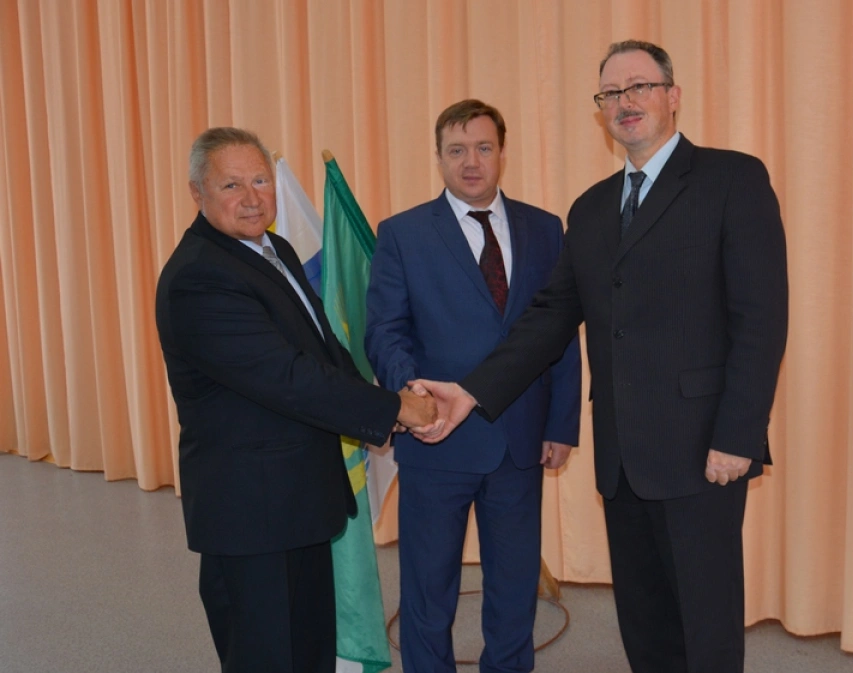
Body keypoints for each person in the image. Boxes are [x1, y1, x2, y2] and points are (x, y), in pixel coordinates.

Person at [411, 41, 789, 673]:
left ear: (673, 96)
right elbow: (549, 318)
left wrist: (738, 435)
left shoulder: (732, 179)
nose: (625, 102)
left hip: (703, 445)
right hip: (621, 452)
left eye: (639, 86)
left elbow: (762, 318)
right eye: (611, 93)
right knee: (643, 615)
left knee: (706, 615)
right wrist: (471, 391)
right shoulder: (589, 209)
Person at [155, 127, 436, 673]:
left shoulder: (273, 248)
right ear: (197, 193)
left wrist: (385, 398)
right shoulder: (199, 278)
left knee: (308, 651)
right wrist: (393, 409)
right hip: (251, 515)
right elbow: (286, 376)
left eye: (261, 180)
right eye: (232, 185)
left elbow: (323, 351)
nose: (252, 197)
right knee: (266, 656)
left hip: (300, 500)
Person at [364, 99, 581, 673]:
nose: (471, 162)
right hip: (437, 440)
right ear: (438, 157)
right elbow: (384, 331)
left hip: (520, 439)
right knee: (428, 589)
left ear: (502, 153)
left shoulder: (545, 229)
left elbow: (561, 331)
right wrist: (414, 401)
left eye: (483, 148)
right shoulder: (403, 233)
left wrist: (561, 424)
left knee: (514, 587)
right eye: (456, 150)